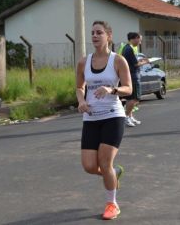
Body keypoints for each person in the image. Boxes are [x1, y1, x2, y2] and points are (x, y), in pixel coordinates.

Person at [76, 20, 132, 220]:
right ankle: (114, 174)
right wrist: (81, 100)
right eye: (92, 33)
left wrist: (112, 89)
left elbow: (129, 88)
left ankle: (112, 204)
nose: (94, 36)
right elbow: (79, 86)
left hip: (113, 116)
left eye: (99, 32)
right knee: (89, 166)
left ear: (108, 35)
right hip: (90, 117)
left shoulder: (118, 61)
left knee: (104, 162)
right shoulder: (84, 62)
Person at [121, 32, 148, 127]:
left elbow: (134, 61)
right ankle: (126, 117)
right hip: (133, 76)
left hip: (130, 75)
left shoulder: (127, 48)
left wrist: (140, 61)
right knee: (134, 98)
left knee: (131, 98)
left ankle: (130, 116)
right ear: (135, 38)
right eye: (139, 40)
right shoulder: (129, 49)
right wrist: (145, 62)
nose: (140, 42)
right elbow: (135, 64)